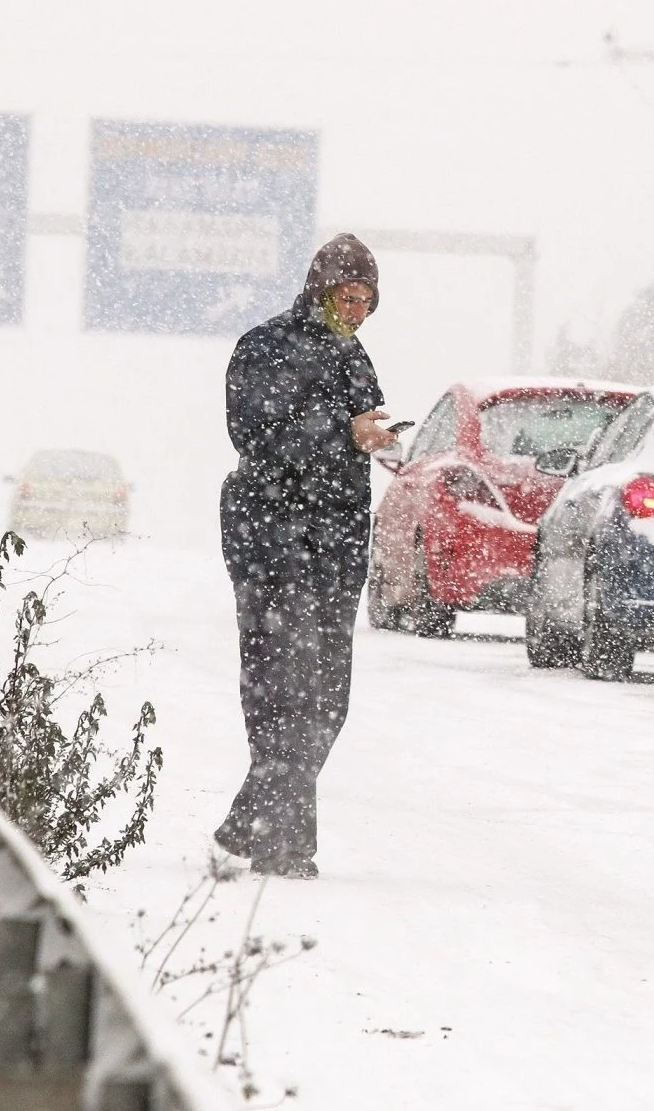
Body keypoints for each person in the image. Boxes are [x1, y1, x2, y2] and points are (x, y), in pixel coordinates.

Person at [213, 233, 398, 878]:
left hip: (337, 542)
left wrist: (381, 445)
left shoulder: (356, 357)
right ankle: (280, 842)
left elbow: (353, 439)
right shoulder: (263, 347)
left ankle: (252, 827)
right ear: (321, 290)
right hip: (270, 535)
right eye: (349, 297)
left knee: (328, 698)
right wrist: (343, 433)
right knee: (281, 689)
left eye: (367, 302)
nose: (357, 311)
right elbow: (255, 436)